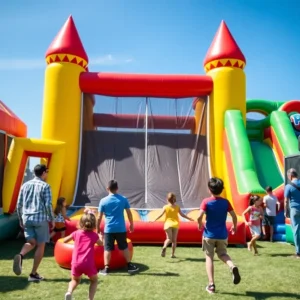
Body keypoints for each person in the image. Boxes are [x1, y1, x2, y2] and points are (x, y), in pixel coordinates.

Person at [198, 177, 241, 294]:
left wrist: (200, 224)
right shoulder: (226, 202)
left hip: (209, 235)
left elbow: (199, 216)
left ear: (209, 189)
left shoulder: (206, 202)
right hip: (222, 234)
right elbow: (234, 216)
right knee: (222, 254)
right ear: (222, 189)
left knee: (209, 258)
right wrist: (235, 226)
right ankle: (232, 266)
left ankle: (211, 285)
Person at [13, 164, 54, 282]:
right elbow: (48, 205)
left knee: (31, 242)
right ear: (43, 173)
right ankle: (33, 273)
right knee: (41, 245)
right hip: (40, 218)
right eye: (47, 172)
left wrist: (21, 220)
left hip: (26, 218)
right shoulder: (46, 186)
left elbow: (19, 205)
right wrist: (52, 219)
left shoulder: (24, 185)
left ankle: (20, 255)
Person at [97, 180, 139, 275]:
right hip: (120, 228)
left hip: (109, 229)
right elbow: (129, 213)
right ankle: (129, 266)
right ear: (117, 188)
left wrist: (98, 228)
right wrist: (131, 224)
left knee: (107, 248)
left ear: (107, 188)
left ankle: (106, 268)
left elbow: (99, 216)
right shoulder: (123, 199)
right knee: (124, 247)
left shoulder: (103, 201)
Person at [63, 212, 102, 300]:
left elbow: (64, 240)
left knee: (75, 280)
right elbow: (101, 244)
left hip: (76, 262)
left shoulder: (76, 233)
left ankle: (69, 292)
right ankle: (90, 299)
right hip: (88, 263)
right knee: (94, 280)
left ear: (81, 223)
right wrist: (101, 237)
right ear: (94, 224)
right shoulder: (94, 235)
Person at [151, 192, 194, 258]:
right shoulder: (177, 207)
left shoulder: (165, 207)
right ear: (174, 199)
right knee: (174, 240)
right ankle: (172, 254)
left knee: (168, 238)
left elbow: (161, 214)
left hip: (167, 224)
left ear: (167, 199)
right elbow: (182, 215)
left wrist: (154, 220)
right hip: (175, 224)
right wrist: (189, 218)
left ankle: (164, 246)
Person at [284, 168, 300, 258]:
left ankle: (298, 252)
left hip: (294, 209)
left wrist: (286, 211)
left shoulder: (288, 186)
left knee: (296, 230)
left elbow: (286, 201)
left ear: (290, 176)